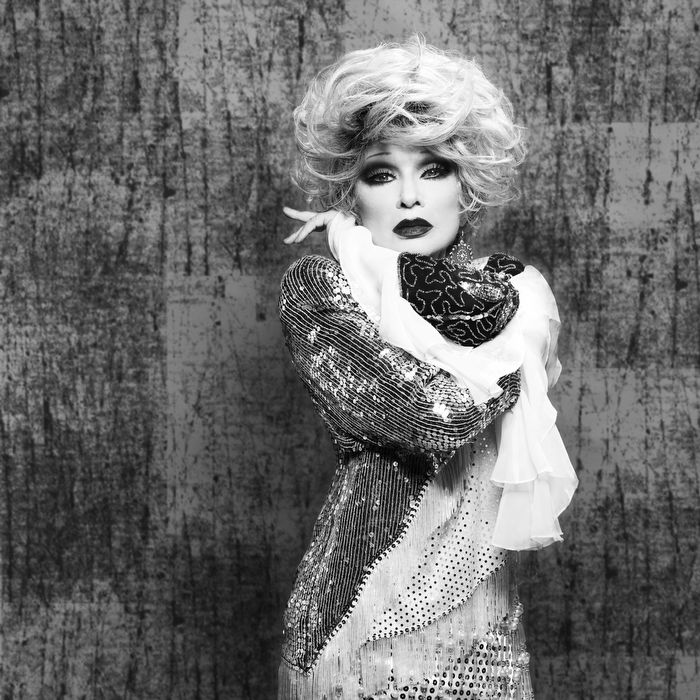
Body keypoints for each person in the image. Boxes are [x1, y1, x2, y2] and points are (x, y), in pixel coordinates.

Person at [278, 36, 577, 700]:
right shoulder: (323, 287)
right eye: (381, 174)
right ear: (351, 194)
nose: (410, 196)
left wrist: (509, 335)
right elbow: (431, 420)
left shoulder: (509, 289)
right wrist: (507, 358)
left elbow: (496, 378)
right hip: (363, 625)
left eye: (434, 168)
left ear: (466, 186)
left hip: (487, 629)